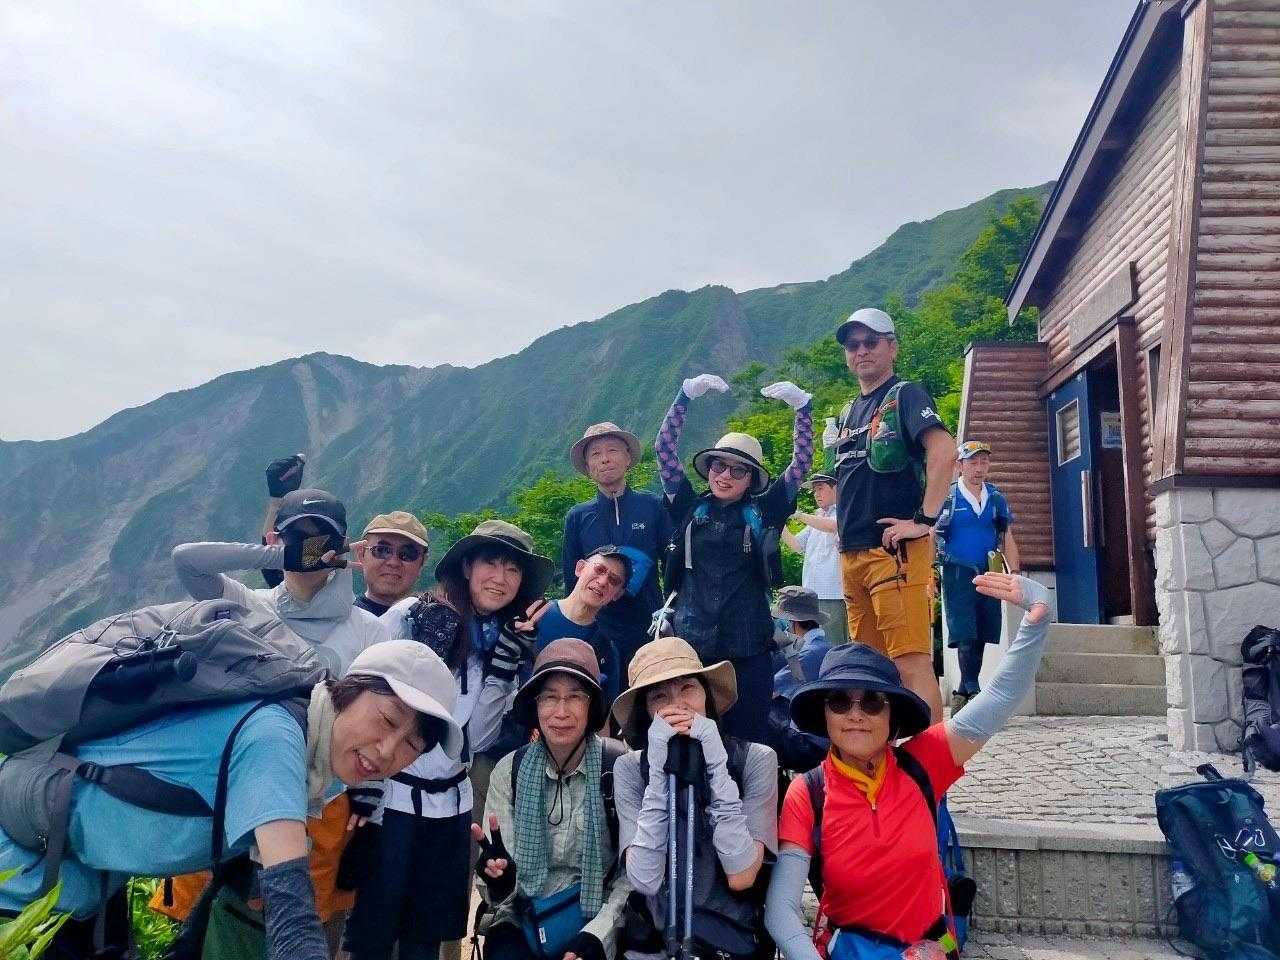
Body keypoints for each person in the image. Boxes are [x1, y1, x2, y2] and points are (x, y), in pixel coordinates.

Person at [0, 640, 463, 960]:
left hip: (86, 892)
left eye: (412, 745)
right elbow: (291, 907)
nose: (388, 751)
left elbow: (235, 876)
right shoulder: (276, 738)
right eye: (386, 720)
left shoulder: (322, 768)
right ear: (348, 691)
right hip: (21, 884)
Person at [764, 573, 1052, 960]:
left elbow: (1000, 697)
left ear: (892, 716)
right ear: (824, 714)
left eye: (872, 702)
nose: (855, 715)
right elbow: (781, 911)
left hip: (930, 949)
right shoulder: (809, 792)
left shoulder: (924, 762)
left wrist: (1036, 619)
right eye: (840, 702)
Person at [343, 520, 550, 960]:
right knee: (371, 936)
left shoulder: (503, 641)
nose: (500, 578)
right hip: (390, 801)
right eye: (491, 563)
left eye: (513, 569)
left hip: (450, 806)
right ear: (467, 567)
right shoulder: (413, 615)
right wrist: (361, 784)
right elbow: (360, 691)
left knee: (426, 938)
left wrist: (504, 667)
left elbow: (475, 738)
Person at [655, 373, 814, 742]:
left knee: (750, 742)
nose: (725, 475)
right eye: (718, 466)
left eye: (737, 469)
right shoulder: (688, 505)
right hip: (692, 647)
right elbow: (664, 449)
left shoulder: (766, 510)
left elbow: (801, 462)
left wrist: (803, 409)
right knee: (690, 741)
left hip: (749, 648)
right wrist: (684, 396)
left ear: (751, 478)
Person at [611, 636, 778, 960]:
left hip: (730, 938)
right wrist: (658, 771)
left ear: (707, 696)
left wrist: (715, 762)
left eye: (688, 688)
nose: (677, 705)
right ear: (646, 711)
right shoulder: (630, 768)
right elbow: (645, 878)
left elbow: (742, 875)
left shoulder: (755, 759)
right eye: (659, 696)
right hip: (658, 939)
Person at [831, 307, 957, 723]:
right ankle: (881, 755)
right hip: (853, 554)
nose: (861, 351)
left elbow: (944, 451)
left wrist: (923, 521)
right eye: (853, 345)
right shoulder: (849, 411)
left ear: (892, 347)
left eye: (871, 342)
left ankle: (930, 762)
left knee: (910, 662)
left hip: (893, 554)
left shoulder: (906, 395)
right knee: (867, 667)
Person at [473, 638, 632, 960]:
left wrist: (597, 936)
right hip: (522, 915)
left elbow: (630, 875)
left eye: (575, 697)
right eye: (549, 697)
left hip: (598, 918)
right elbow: (500, 894)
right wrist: (500, 878)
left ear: (592, 706)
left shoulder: (617, 768)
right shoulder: (510, 770)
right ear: (535, 705)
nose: (561, 712)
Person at [173, 487, 390, 676]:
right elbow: (186, 559)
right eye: (297, 537)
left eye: (324, 538)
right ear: (272, 540)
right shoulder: (245, 604)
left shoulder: (370, 631)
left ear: (342, 545)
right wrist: (283, 556)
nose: (311, 549)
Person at [564, 423, 674, 676]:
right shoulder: (578, 517)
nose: (604, 459)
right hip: (597, 634)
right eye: (595, 454)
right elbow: (572, 581)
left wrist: (671, 615)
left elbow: (672, 566)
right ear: (588, 467)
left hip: (650, 628)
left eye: (612, 450)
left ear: (628, 458)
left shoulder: (653, 507)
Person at [259, 455, 429, 616]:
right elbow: (281, 569)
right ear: (361, 553)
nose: (393, 562)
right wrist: (277, 503)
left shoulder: (434, 623)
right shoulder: (336, 617)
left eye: (407, 554)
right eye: (381, 550)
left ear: (422, 562)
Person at [935, 441, 1021, 712]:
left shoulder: (996, 498)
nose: (979, 468)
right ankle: (974, 689)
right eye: (973, 462)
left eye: (984, 462)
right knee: (965, 630)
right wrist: (928, 574)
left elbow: (1007, 536)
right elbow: (931, 535)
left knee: (983, 630)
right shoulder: (948, 497)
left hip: (989, 570)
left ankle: (964, 690)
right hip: (958, 570)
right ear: (960, 465)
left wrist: (1014, 573)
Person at [528, 545, 631, 711]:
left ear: (617, 594)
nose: (603, 581)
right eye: (599, 569)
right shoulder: (532, 614)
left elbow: (604, 714)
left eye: (614, 580)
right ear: (580, 568)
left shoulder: (605, 650)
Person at [767, 587, 832, 774]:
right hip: (827, 740)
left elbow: (768, 691)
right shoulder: (828, 647)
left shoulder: (805, 655)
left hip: (811, 745)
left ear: (793, 623)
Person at [782, 472, 848, 645]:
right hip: (812, 595)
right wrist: (778, 522)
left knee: (833, 644)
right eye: (814, 490)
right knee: (813, 643)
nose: (816, 494)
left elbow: (833, 526)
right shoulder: (818, 517)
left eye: (820, 488)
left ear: (836, 488)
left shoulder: (844, 511)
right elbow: (797, 545)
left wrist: (798, 514)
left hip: (832, 594)